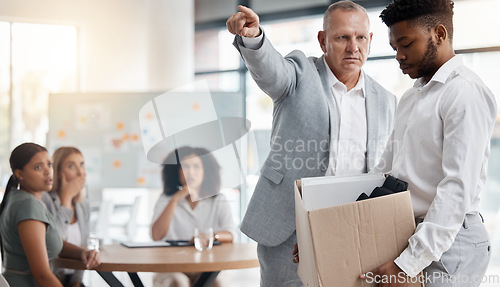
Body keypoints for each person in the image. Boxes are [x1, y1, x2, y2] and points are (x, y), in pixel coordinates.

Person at [226, 1, 396, 285]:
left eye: (361, 37)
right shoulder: (300, 74)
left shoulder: (386, 101)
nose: (353, 47)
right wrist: (253, 37)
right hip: (289, 228)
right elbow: (272, 71)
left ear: (370, 41)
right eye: (342, 37)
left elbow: (383, 168)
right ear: (322, 40)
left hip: (350, 230)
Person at [359, 0, 497, 286]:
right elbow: (384, 172)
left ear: (440, 34)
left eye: (406, 44)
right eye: (395, 48)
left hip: (450, 241)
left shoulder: (465, 92)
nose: (399, 56)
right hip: (411, 233)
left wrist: (408, 264)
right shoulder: (412, 96)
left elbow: (457, 189)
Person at [0, 143, 100, 287]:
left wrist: (82, 252)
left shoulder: (23, 199)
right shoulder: (28, 206)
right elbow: (42, 276)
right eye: (38, 167)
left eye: (49, 165)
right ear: (19, 174)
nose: (48, 172)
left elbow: (50, 242)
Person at [151, 146, 237, 287]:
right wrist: (175, 199)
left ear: (205, 171)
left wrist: (211, 237)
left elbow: (231, 234)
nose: (191, 172)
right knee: (177, 283)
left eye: (196, 166)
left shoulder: (217, 199)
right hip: (172, 267)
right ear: (176, 172)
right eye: (185, 167)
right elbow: (156, 235)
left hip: (209, 266)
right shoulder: (165, 199)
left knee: (217, 282)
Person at [42, 147, 90, 287]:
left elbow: (84, 245)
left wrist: (77, 281)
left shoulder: (83, 205)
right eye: (71, 166)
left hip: (74, 280)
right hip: (53, 279)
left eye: (81, 164)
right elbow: (55, 244)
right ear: (57, 172)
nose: (80, 172)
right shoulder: (46, 201)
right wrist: (66, 199)